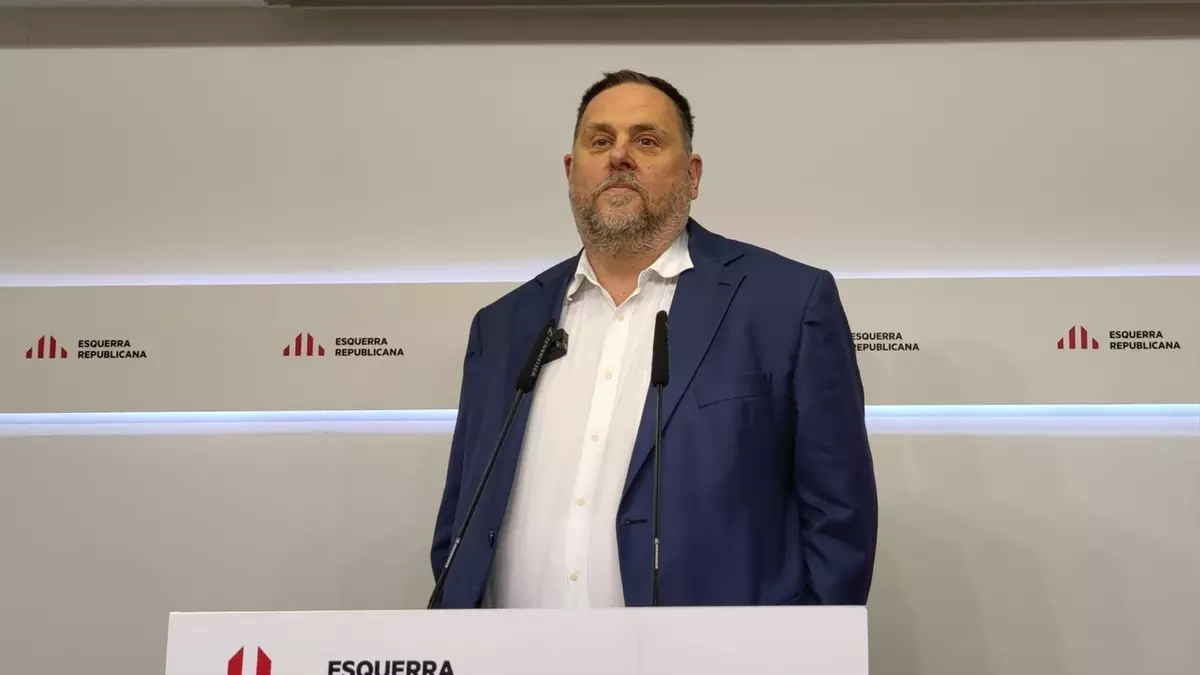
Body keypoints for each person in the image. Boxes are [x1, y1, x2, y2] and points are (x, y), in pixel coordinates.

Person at [430, 69, 878, 609]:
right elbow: (462, 522)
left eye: (646, 141)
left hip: (715, 650)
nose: (619, 156)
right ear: (571, 172)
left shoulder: (786, 304)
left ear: (692, 175)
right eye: (600, 141)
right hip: (513, 648)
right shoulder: (502, 326)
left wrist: (801, 644)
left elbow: (839, 518)